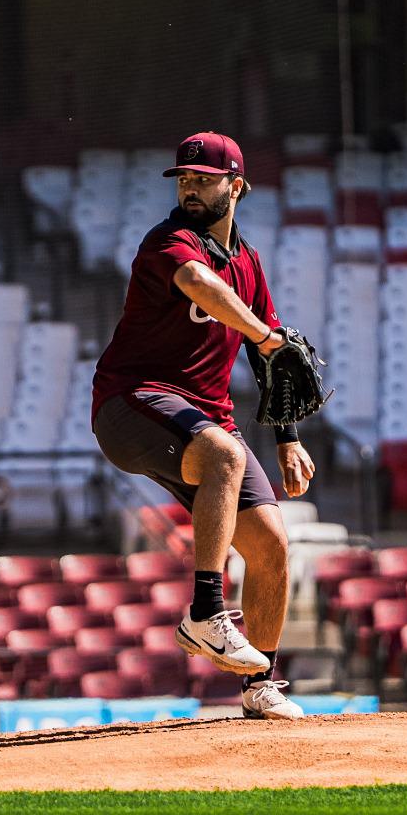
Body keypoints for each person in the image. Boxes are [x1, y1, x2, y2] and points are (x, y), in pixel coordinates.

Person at [92, 131, 316, 720]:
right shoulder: (168, 242)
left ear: (236, 185)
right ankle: (206, 612)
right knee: (223, 454)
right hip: (131, 404)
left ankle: (262, 684)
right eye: (184, 178)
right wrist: (265, 335)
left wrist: (289, 437)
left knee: (271, 546)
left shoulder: (248, 262)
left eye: (204, 178)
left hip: (202, 419)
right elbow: (199, 286)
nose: (190, 186)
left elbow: (273, 357)